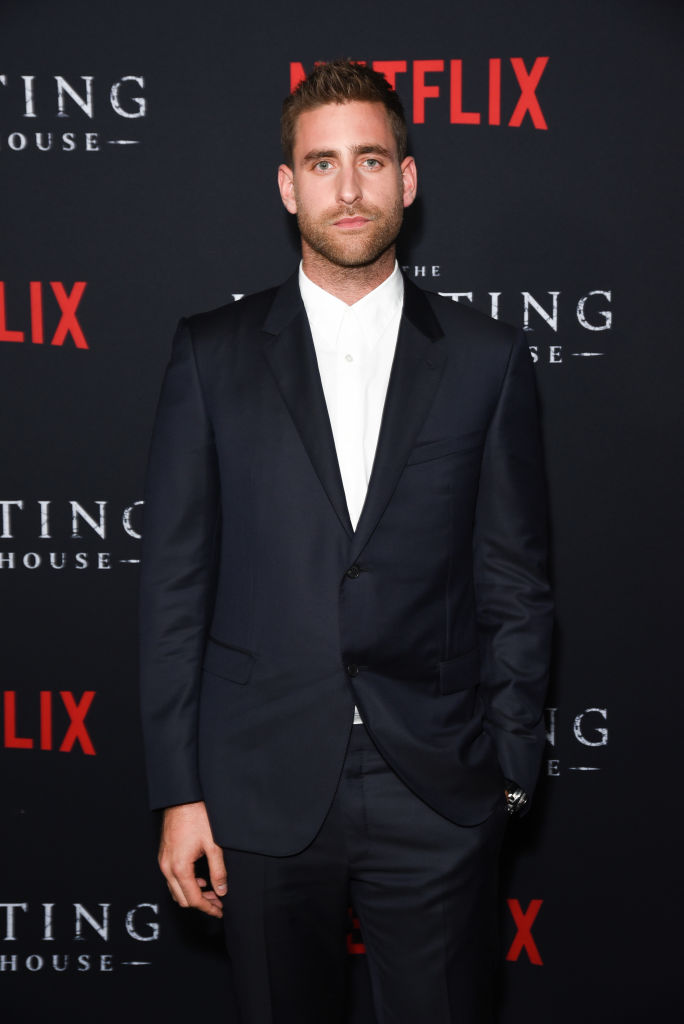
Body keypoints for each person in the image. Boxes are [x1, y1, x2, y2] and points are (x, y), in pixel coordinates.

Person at [139, 59, 553, 1024]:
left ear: (407, 179)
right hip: (259, 790)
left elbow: (515, 580)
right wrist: (179, 791)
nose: (349, 187)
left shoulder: (488, 361)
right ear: (289, 189)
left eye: (371, 160)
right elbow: (173, 588)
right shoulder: (211, 355)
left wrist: (512, 766)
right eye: (322, 165)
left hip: (439, 787)